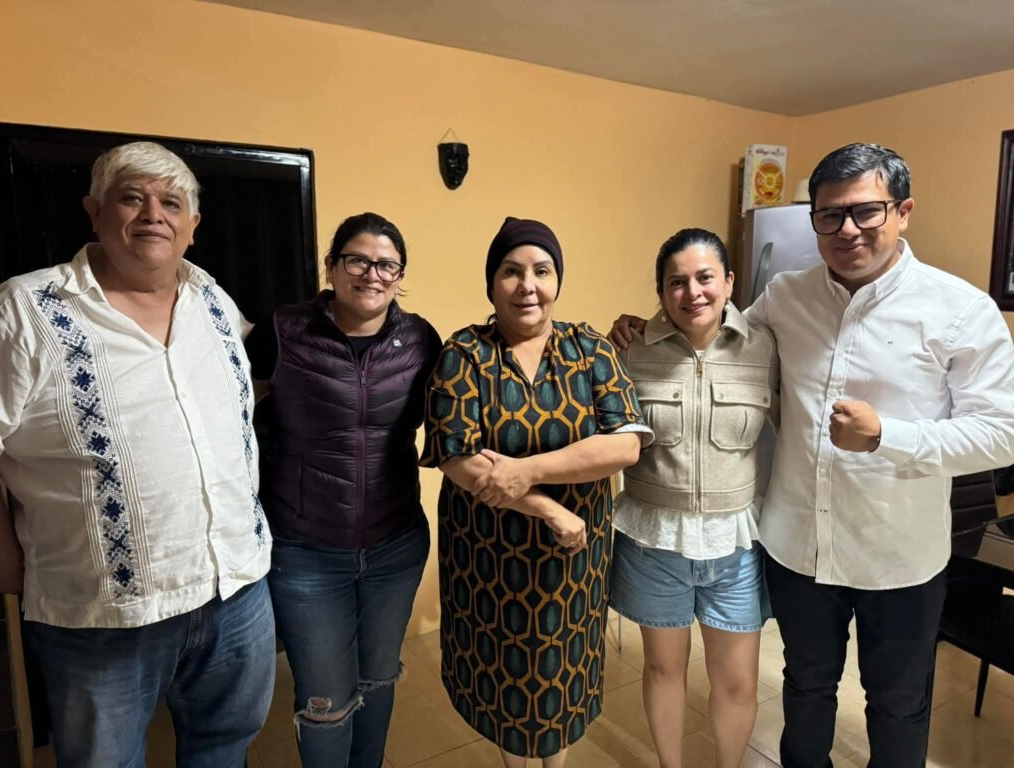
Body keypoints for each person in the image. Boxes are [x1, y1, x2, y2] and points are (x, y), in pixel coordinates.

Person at [609, 143, 1014, 767]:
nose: (847, 229)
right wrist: (644, 328)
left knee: (897, 705)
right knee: (806, 689)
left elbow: (1000, 434)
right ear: (815, 221)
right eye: (830, 215)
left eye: (866, 211)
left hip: (897, 554)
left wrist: (887, 435)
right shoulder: (785, 297)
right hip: (799, 548)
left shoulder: (960, 310)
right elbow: (716, 341)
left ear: (903, 211)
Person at [0, 141, 274, 767]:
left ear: (193, 225)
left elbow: (238, 399)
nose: (153, 215)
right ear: (95, 211)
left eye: (171, 203)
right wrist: (0, 557)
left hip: (237, 588)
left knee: (225, 748)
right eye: (132, 198)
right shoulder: (25, 310)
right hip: (102, 615)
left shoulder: (214, 302)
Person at [420, 217, 652, 767]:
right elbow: (456, 456)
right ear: (491, 283)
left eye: (541, 271)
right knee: (503, 674)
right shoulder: (465, 353)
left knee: (561, 672)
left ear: (557, 281)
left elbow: (625, 445)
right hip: (489, 557)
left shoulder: (589, 350)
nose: (527, 285)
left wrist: (527, 471)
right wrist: (545, 506)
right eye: (511, 271)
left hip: (573, 562)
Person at [244, 212, 442, 768]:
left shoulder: (419, 339)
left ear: (400, 276)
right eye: (357, 260)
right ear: (331, 266)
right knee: (326, 701)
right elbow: (233, 415)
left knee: (378, 679)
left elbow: (464, 405)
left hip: (395, 545)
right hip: (305, 551)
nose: (372, 274)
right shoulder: (283, 330)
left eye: (387, 265)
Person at [609, 228, 776, 768]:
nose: (692, 292)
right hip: (653, 540)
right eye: (676, 282)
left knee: (738, 681)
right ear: (660, 291)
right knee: (663, 670)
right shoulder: (629, 350)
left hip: (735, 544)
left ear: (729, 281)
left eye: (705, 277)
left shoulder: (765, 348)